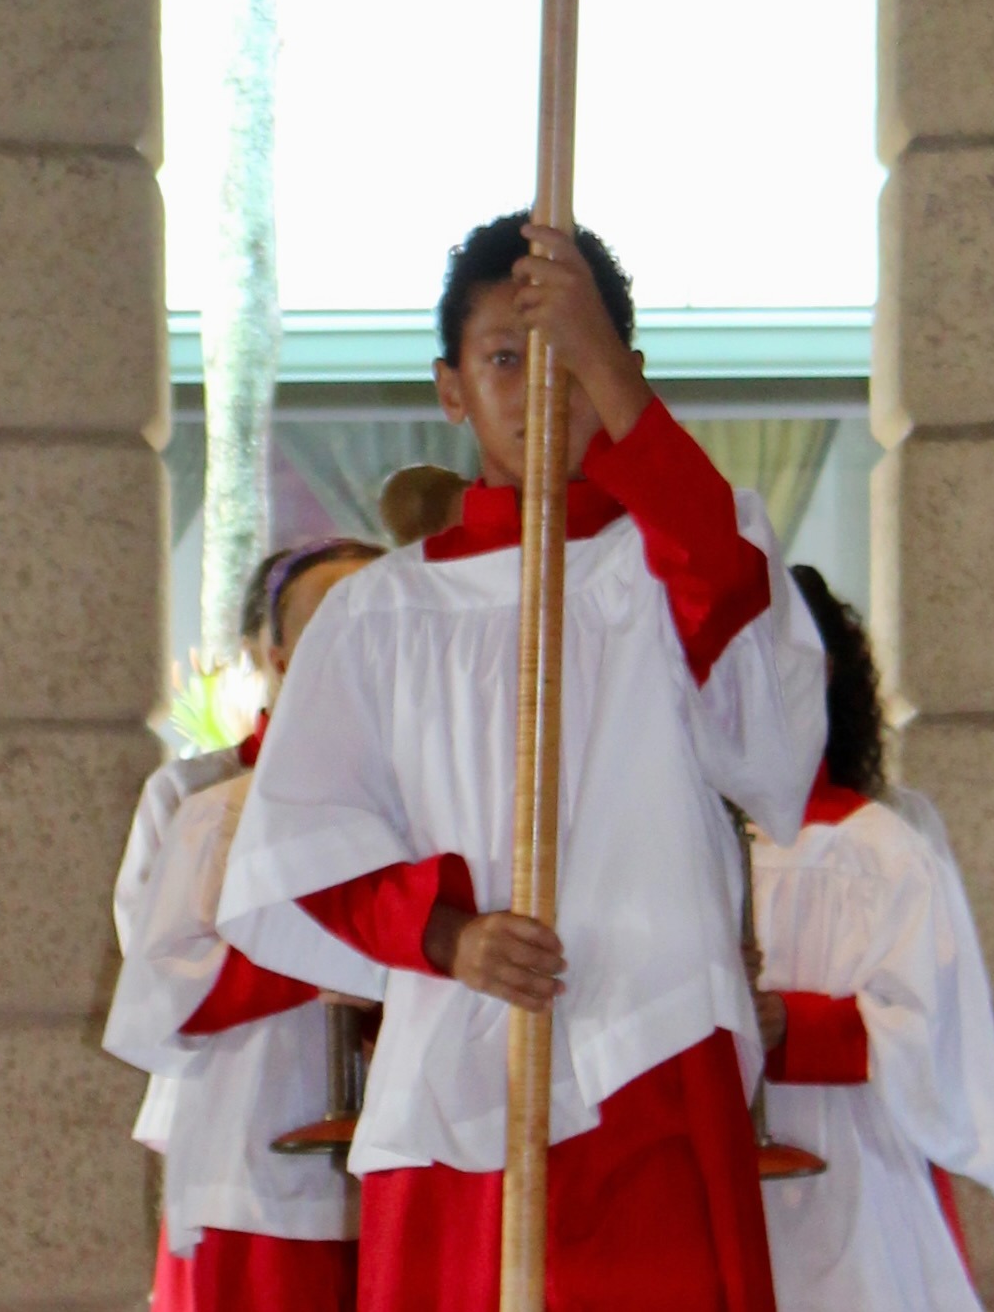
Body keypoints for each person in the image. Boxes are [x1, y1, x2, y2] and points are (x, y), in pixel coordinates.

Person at [218, 210, 828, 1312]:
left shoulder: (675, 559)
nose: (543, 385)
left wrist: (612, 376)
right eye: (506, 357)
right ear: (450, 389)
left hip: (655, 1047)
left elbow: (749, 663)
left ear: (625, 371)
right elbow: (304, 847)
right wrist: (450, 935)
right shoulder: (378, 615)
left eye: (575, 358)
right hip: (461, 1066)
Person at [106, 539, 392, 1312]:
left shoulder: (439, 801)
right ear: (277, 656)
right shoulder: (203, 804)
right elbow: (162, 985)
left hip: (410, 1156)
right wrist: (353, 957)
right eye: (330, 626)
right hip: (252, 1153)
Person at [748, 568, 994, 1312]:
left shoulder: (877, 849)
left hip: (845, 1159)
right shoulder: (677, 844)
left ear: (823, 672)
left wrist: (794, 1023)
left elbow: (930, 1025)